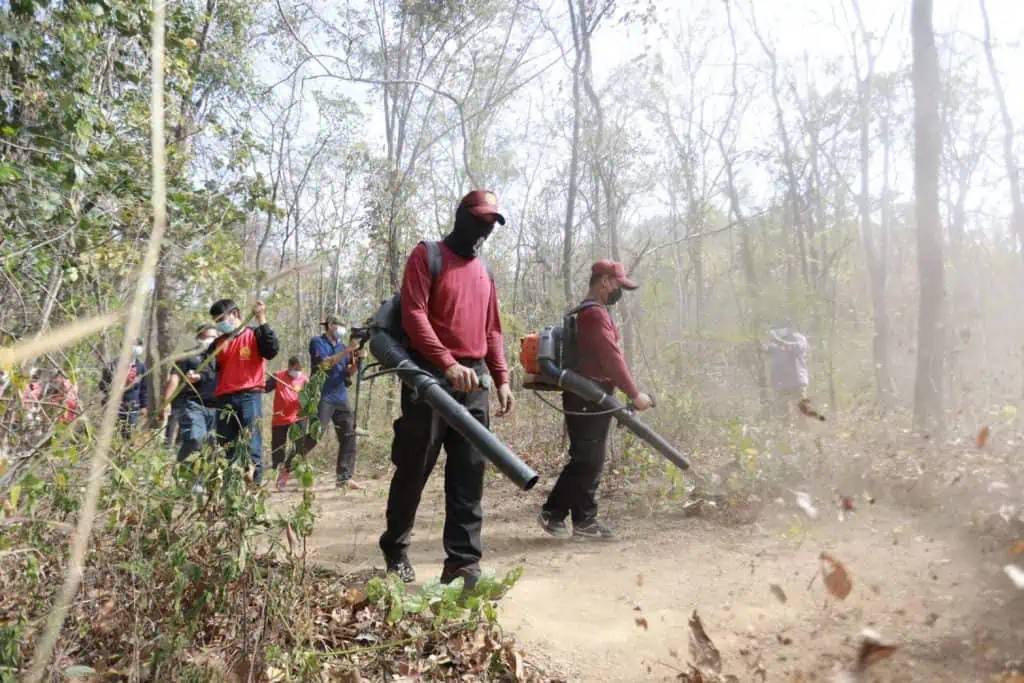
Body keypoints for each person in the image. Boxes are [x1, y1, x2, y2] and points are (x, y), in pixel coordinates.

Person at [379, 190, 515, 589]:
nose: (485, 229)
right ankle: (396, 548)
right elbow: (414, 314)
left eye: (492, 224)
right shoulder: (428, 255)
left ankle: (462, 562)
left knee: (469, 474)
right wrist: (446, 363)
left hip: (473, 383)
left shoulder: (484, 272)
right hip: (429, 379)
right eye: (480, 220)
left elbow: (492, 330)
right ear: (461, 217)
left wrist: (502, 378)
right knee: (414, 467)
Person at [538, 259, 653, 541]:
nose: (619, 292)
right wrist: (635, 395)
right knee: (586, 460)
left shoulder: (590, 312)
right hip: (587, 396)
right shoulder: (594, 315)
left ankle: (585, 520)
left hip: (591, 396)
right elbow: (611, 359)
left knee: (591, 459)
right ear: (604, 281)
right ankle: (552, 512)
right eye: (618, 285)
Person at [206, 299, 279, 484]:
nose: (219, 323)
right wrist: (195, 376)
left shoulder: (255, 334)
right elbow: (208, 370)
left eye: (222, 318)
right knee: (227, 447)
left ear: (235, 315)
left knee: (251, 444)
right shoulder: (217, 344)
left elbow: (271, 350)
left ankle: (254, 489)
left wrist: (261, 317)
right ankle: (231, 491)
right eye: (216, 321)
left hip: (249, 396)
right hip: (224, 400)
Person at [308, 315, 364, 490]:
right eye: (339, 325)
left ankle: (344, 477)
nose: (342, 329)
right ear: (330, 326)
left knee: (349, 434)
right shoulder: (317, 342)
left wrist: (359, 359)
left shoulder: (342, 346)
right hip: (323, 396)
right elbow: (325, 364)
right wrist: (348, 350)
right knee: (314, 436)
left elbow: (349, 372)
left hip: (340, 396)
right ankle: (288, 466)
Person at [163, 324, 219, 463]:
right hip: (193, 405)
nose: (210, 340)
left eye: (213, 337)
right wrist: (166, 402)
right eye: (206, 337)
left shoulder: (223, 357)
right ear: (199, 338)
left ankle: (203, 481)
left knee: (213, 446)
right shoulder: (187, 356)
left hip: (218, 407)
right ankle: (184, 475)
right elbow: (174, 379)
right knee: (194, 439)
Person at [264, 355, 313, 490]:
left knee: (299, 447)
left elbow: (309, 398)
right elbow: (264, 388)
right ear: (290, 367)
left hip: (298, 418)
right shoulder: (278, 376)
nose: (298, 372)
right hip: (280, 418)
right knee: (278, 448)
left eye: (300, 369)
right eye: (296, 369)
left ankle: (288, 470)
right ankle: (276, 474)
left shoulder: (304, 380)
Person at [100, 339, 148, 439]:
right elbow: (103, 385)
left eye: (138, 345)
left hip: (132, 408)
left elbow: (144, 389)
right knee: (110, 435)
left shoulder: (141, 367)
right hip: (114, 406)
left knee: (128, 435)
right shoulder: (112, 365)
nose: (136, 348)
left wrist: (144, 406)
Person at [766, 319, 809, 422]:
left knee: (802, 412)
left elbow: (796, 348)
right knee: (783, 414)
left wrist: (778, 341)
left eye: (782, 327)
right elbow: (767, 351)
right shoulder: (774, 341)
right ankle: (787, 435)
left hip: (796, 381)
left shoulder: (798, 338)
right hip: (780, 383)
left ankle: (806, 434)